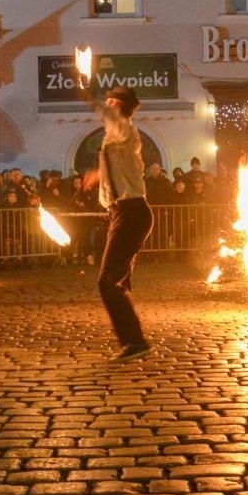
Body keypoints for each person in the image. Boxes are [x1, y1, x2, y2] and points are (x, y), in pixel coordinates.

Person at [81, 84, 153, 361]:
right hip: (119, 213)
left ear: (120, 107)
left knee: (107, 282)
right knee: (116, 281)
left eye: (111, 102)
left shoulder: (125, 129)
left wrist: (86, 91)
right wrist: (95, 175)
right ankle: (134, 340)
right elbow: (116, 166)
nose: (106, 106)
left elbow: (109, 117)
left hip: (131, 212)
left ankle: (135, 341)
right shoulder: (115, 137)